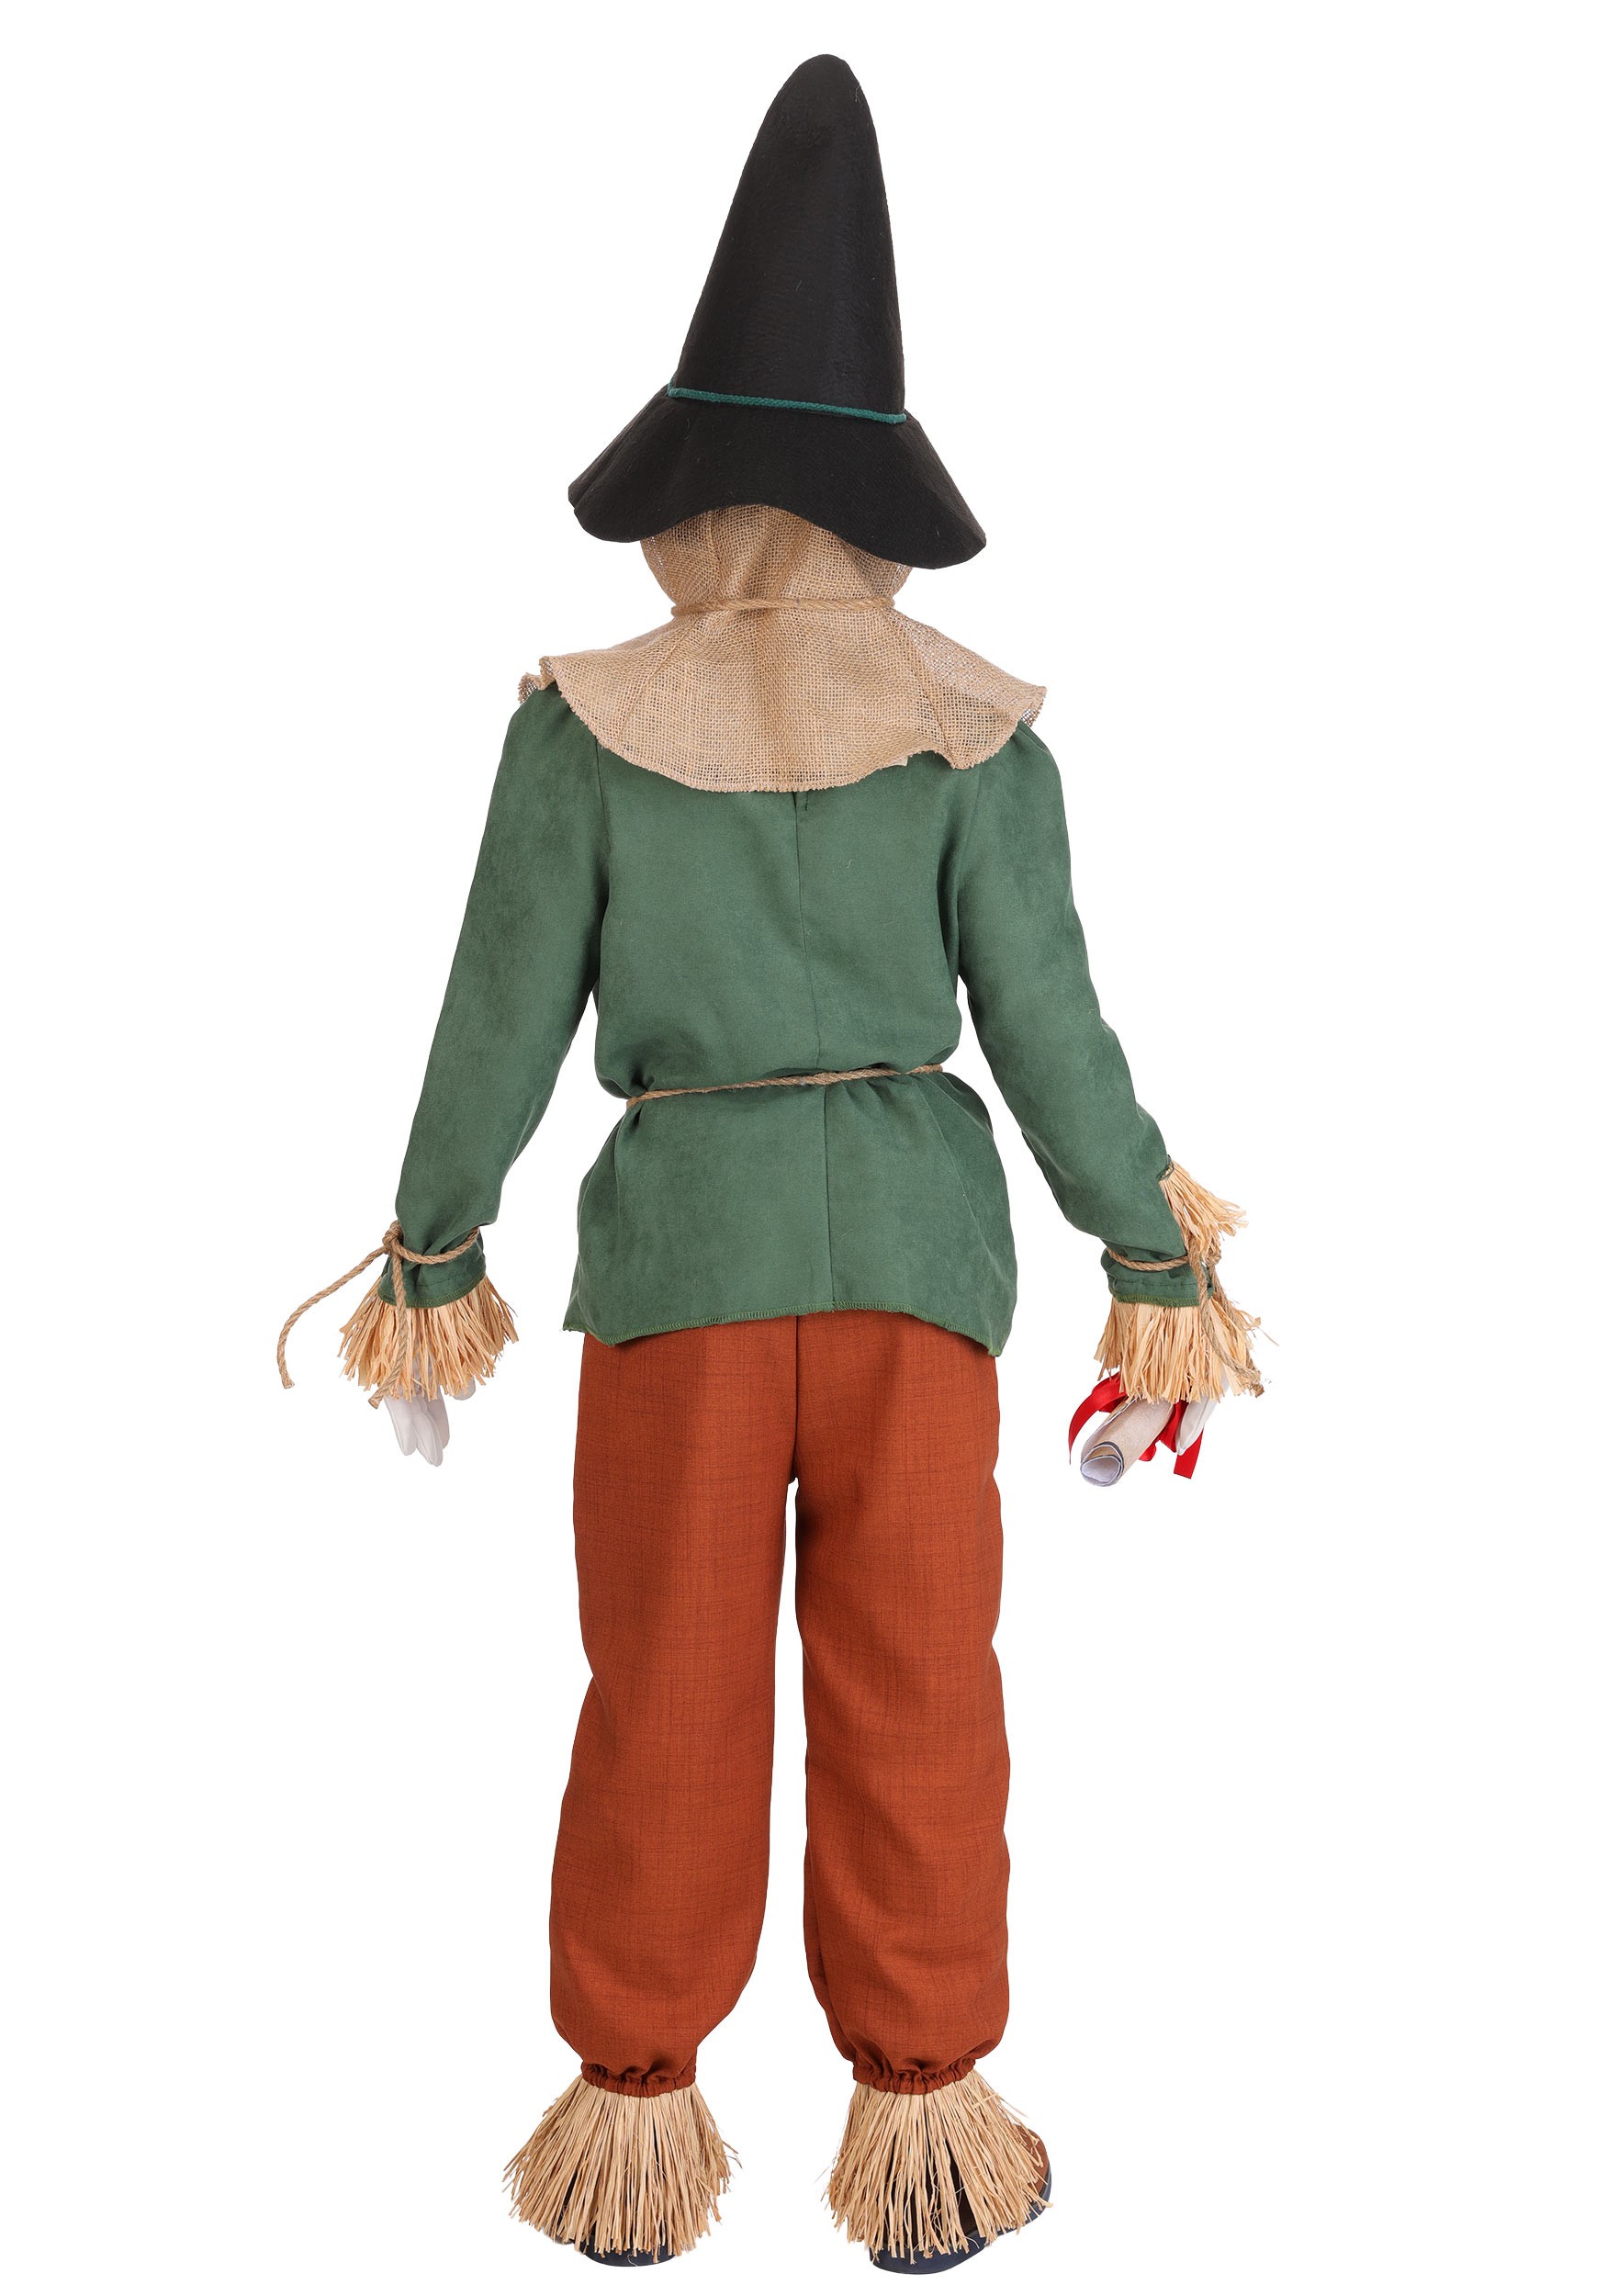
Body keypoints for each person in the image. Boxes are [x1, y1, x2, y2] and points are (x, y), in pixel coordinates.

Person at [281, 53, 1259, 2272]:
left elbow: (495, 1016)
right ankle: (923, 2116)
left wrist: (431, 1250)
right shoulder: (977, 738)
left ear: (690, 494)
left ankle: (633, 2116)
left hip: (681, 1271)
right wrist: (1150, 1253)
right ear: (876, 506)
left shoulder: (577, 734)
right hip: (915, 1271)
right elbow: (1051, 1032)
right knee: (920, 1685)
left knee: (669, 1681)